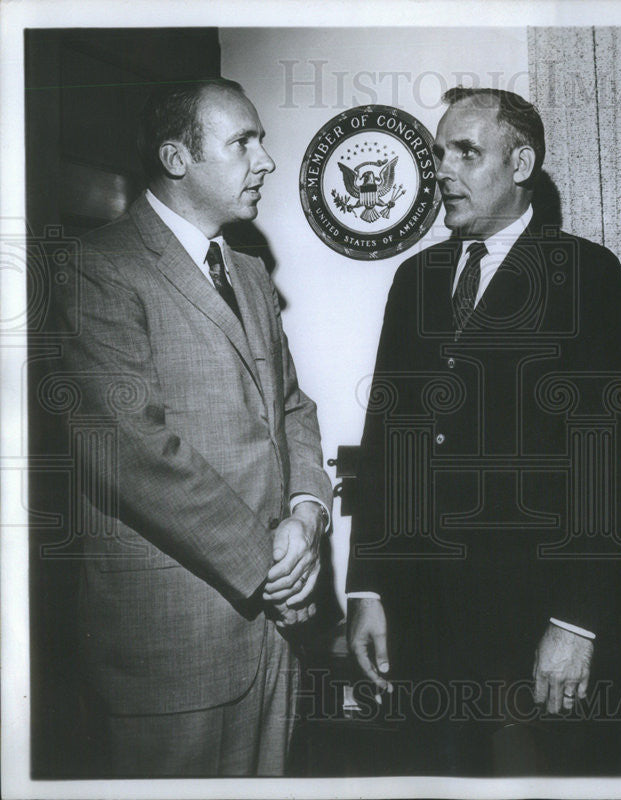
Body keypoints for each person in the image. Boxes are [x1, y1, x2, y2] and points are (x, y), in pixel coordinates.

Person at [346, 87, 621, 775]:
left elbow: (617, 460)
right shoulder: (416, 280)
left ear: (521, 163)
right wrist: (368, 587)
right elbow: (387, 440)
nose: (442, 171)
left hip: (540, 619)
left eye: (466, 152)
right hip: (424, 620)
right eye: (438, 152)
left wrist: (580, 621)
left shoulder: (584, 275)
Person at [51, 78, 333, 776]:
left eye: (261, 140)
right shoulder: (98, 268)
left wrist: (305, 514)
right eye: (244, 142)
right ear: (178, 158)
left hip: (276, 632)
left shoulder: (248, 272)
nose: (265, 160)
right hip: (173, 645)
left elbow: (291, 408)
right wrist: (272, 562)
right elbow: (131, 450)